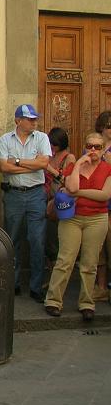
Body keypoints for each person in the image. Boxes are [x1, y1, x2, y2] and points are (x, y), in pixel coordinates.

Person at [44, 132, 111, 322]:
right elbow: (70, 187)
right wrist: (79, 165)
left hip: (97, 219)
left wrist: (78, 193)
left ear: (102, 149)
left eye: (98, 147)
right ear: (84, 147)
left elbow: (104, 195)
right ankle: (53, 301)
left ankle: (87, 303)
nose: (93, 150)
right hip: (72, 218)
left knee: (89, 263)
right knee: (65, 260)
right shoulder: (74, 166)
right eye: (89, 146)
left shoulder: (108, 169)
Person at [0, 104, 52, 302]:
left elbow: (44, 164)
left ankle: (36, 286)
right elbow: (4, 167)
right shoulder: (5, 139)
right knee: (12, 239)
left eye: (34, 119)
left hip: (36, 194)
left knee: (37, 240)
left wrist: (18, 162)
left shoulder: (42, 137)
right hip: (14, 194)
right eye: (30, 119)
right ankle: (13, 283)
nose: (34, 122)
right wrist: (31, 165)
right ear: (18, 121)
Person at [44, 128, 75, 262]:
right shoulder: (50, 156)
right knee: (48, 237)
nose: (52, 147)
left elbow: (69, 181)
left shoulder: (69, 158)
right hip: (46, 199)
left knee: (60, 237)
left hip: (61, 201)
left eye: (55, 144)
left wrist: (52, 170)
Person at [94, 111, 111, 300]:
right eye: (108, 126)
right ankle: (100, 287)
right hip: (97, 206)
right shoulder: (94, 147)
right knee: (98, 250)